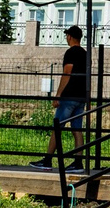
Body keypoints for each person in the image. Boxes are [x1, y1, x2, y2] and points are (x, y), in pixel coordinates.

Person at [38, 25, 90, 169]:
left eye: (67, 36)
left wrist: (58, 94)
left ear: (69, 37)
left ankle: (47, 160)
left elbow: (67, 73)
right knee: (77, 129)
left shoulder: (70, 52)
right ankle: (78, 162)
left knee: (57, 127)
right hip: (81, 96)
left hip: (69, 96)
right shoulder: (85, 54)